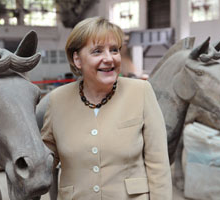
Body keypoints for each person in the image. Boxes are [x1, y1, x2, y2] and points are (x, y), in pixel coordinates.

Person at [41, 16, 172, 200]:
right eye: (97, 51)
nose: (109, 59)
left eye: (114, 50)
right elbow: (44, 161)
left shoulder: (140, 92)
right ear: (77, 59)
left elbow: (158, 165)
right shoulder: (57, 100)